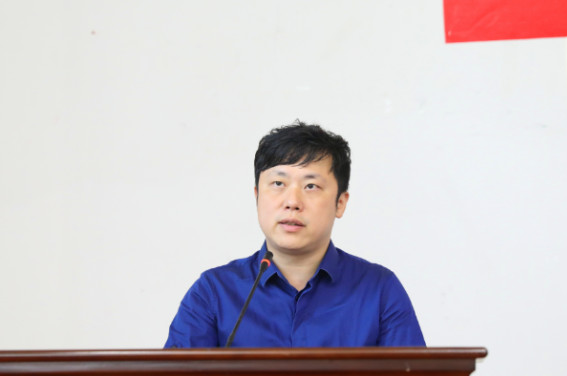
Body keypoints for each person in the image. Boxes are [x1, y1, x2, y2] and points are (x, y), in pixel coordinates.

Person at [164, 121, 425, 348]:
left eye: (311, 186)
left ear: (340, 203)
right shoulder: (214, 293)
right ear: (257, 196)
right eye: (278, 183)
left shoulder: (379, 291)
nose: (292, 202)